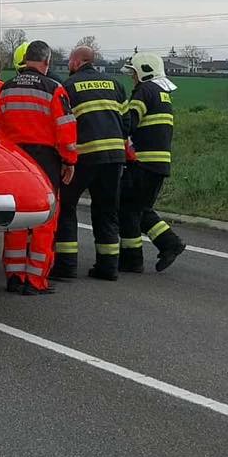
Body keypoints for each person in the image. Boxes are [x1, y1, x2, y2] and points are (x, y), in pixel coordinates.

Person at [0, 40, 77, 295]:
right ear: (47, 61)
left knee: (16, 217)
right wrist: (69, 161)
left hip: (14, 158)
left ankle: (14, 276)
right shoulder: (54, 89)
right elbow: (66, 129)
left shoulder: (6, 89)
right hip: (45, 159)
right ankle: (35, 280)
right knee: (44, 218)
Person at [52, 46, 127, 281]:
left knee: (67, 207)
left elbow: (63, 125)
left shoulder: (69, 86)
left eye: (70, 60)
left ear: (77, 61)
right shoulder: (115, 85)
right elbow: (126, 123)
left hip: (83, 157)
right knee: (107, 211)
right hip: (114, 157)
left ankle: (66, 266)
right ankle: (108, 268)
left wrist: (64, 158)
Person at [119, 52, 187, 273]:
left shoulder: (144, 91)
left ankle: (133, 259)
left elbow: (129, 122)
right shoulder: (162, 93)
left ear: (144, 72)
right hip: (159, 163)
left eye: (134, 73)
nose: (132, 78)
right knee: (140, 208)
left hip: (143, 163)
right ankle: (169, 244)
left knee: (128, 209)